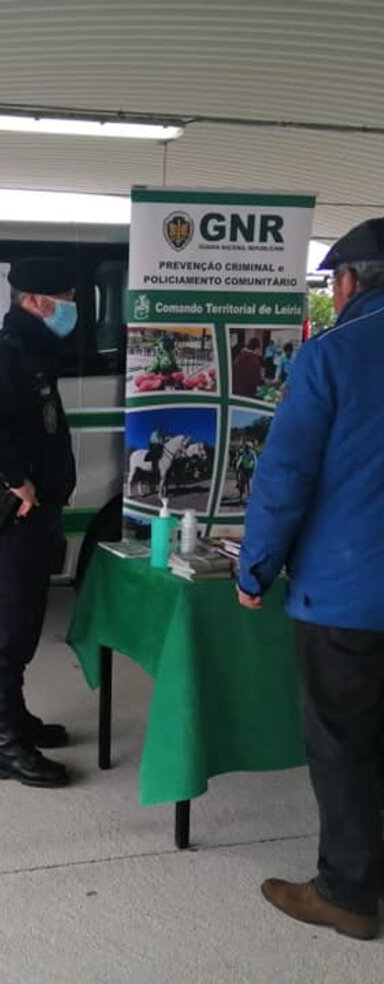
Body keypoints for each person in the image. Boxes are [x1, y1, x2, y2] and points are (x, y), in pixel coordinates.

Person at [236, 216, 384, 941]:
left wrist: (255, 567)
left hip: (348, 596)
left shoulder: (332, 356)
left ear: (350, 282)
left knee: (344, 743)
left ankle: (348, 895)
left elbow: (284, 476)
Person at [0, 257, 77, 788]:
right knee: (7, 632)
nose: (71, 307)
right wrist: (16, 479)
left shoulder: (34, 353)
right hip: (14, 519)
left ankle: (17, 719)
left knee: (23, 625)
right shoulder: (4, 355)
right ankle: (4, 745)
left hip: (37, 517)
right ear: (33, 302)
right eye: (64, 299)